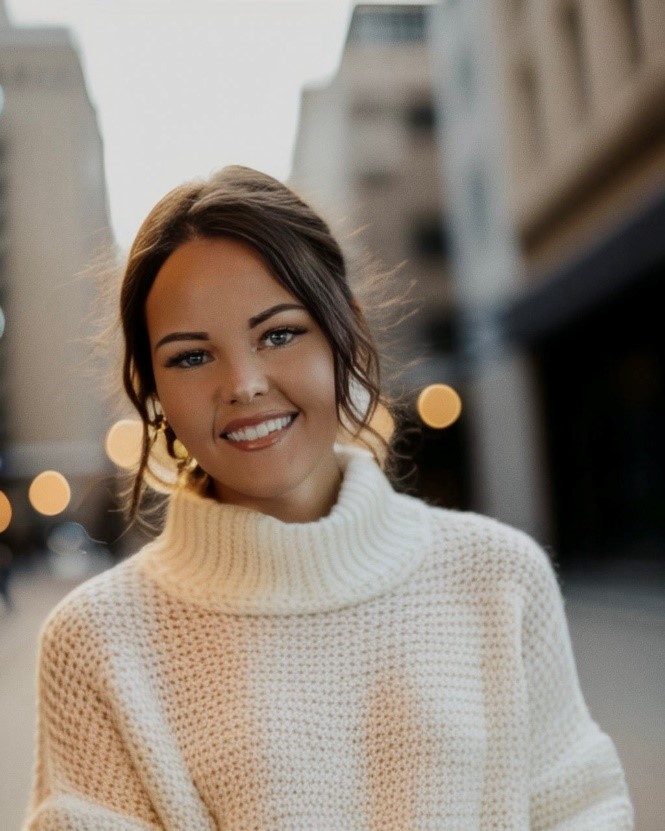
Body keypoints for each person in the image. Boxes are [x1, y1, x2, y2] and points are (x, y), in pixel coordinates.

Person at [23, 166, 633, 830]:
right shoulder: (96, 640)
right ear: (152, 391)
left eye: (278, 333)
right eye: (192, 357)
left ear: (347, 331)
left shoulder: (499, 577)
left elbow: (580, 806)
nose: (245, 383)